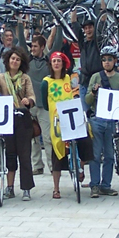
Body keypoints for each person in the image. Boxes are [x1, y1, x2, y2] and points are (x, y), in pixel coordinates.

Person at [85, 46, 119, 198]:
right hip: (96, 119)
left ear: (115, 61)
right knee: (95, 154)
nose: (106, 62)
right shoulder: (96, 77)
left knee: (109, 155)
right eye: (104, 60)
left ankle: (105, 185)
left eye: (109, 59)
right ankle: (94, 185)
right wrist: (93, 92)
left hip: (112, 121)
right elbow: (87, 100)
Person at [41, 51, 93, 199]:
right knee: (57, 151)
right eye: (54, 61)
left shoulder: (69, 79)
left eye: (59, 61)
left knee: (85, 138)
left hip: (72, 115)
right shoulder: (46, 82)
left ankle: (80, 166)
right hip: (57, 119)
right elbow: (45, 103)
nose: (56, 63)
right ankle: (56, 188)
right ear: (51, 64)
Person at [0, 47, 36, 200]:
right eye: (12, 58)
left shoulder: (25, 78)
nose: (14, 61)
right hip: (7, 118)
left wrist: (28, 101)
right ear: (7, 61)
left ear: (21, 63)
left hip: (22, 117)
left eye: (18, 59)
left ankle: (26, 188)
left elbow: (32, 96)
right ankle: (9, 187)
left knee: (25, 155)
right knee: (10, 154)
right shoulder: (1, 77)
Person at [18, 24, 62, 174]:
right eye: (32, 46)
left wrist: (60, 26)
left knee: (48, 137)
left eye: (35, 46)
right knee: (33, 138)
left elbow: (58, 45)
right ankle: (37, 166)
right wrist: (20, 23)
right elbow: (22, 43)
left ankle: (52, 166)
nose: (32, 48)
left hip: (44, 105)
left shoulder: (49, 61)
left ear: (42, 47)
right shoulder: (28, 60)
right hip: (30, 105)